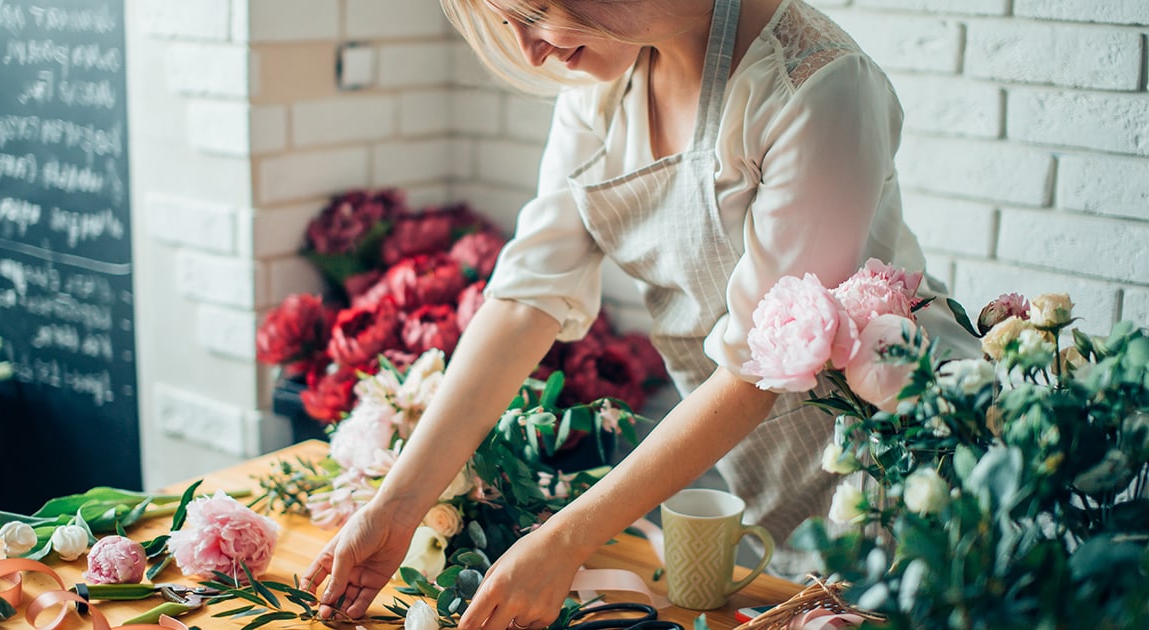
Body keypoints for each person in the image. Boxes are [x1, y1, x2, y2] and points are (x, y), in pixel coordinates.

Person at [301, 0, 976, 628]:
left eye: (535, 14)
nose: (530, 52)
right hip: (765, 470)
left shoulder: (817, 87)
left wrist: (564, 539)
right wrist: (395, 506)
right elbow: (525, 298)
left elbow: (754, 371)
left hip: (901, 464)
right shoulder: (601, 85)